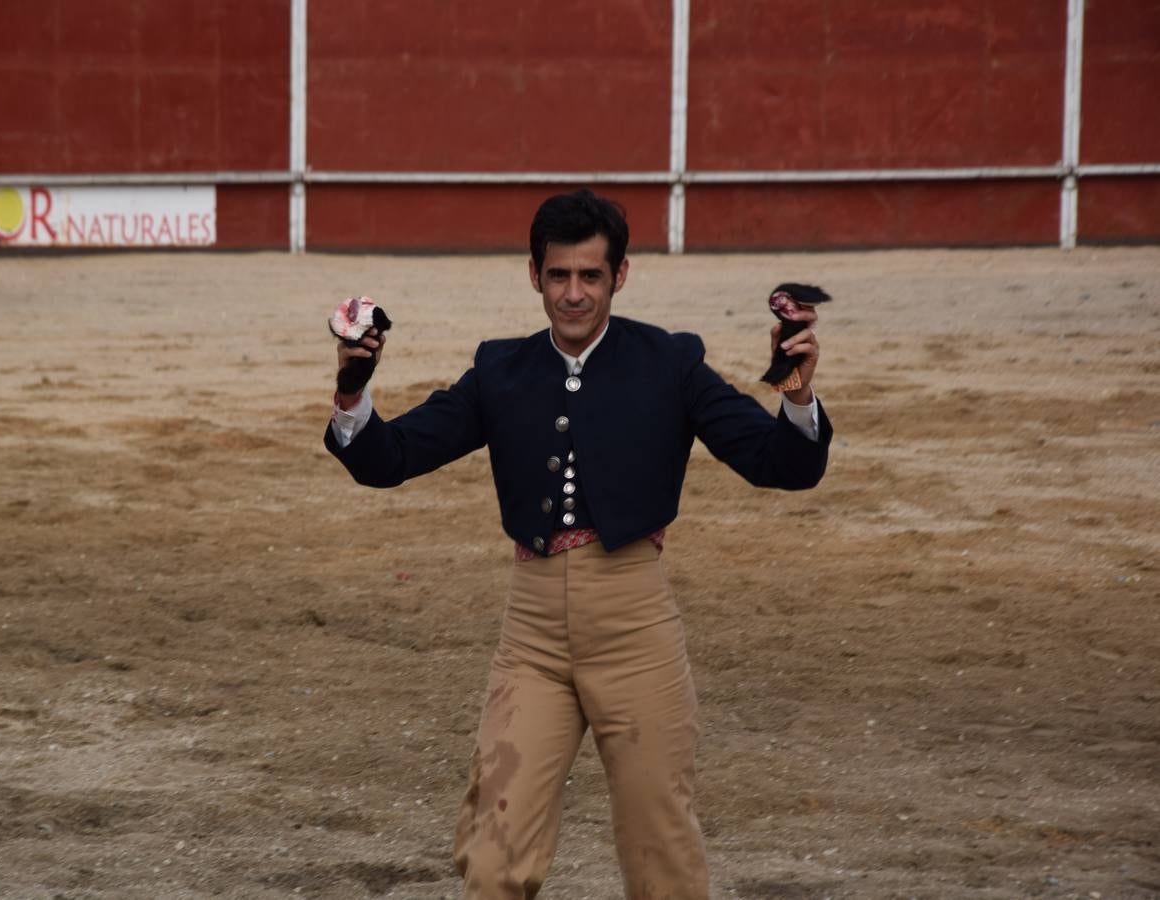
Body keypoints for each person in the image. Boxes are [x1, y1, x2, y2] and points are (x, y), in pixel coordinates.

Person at [324, 189, 831, 899]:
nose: (573, 294)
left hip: (637, 629)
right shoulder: (500, 369)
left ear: (620, 276)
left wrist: (798, 400)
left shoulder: (672, 363)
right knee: (495, 859)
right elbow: (392, 458)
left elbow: (779, 464)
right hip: (531, 635)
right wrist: (353, 394)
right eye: (558, 276)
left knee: (664, 859)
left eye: (591, 276)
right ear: (534, 274)